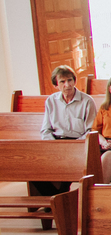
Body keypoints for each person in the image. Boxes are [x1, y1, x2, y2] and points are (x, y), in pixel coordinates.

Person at [35, 65, 99, 196]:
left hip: (79, 144)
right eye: (62, 81)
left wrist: (72, 145)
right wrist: (55, 145)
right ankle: (57, 198)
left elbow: (91, 130)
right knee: (33, 169)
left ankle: (59, 198)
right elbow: (45, 130)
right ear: (56, 85)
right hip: (55, 143)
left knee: (68, 164)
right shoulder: (51, 101)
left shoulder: (87, 101)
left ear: (74, 81)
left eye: (70, 80)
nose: (67, 85)